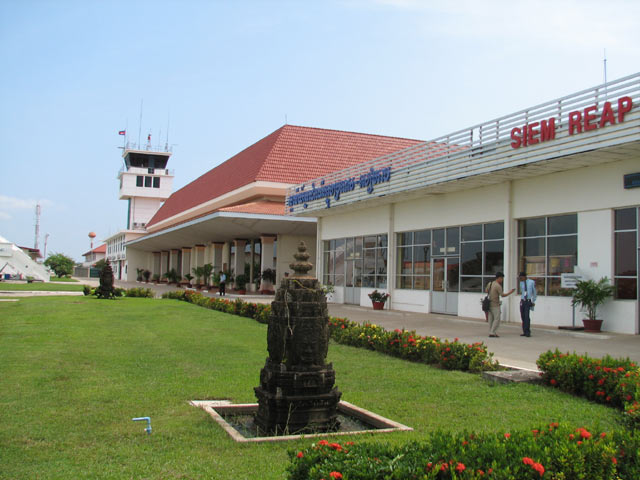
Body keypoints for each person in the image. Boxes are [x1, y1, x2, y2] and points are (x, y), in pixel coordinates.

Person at [485, 272, 515, 338]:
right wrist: (510, 292)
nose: (502, 280)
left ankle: (491, 331)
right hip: (495, 304)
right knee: (497, 319)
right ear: (499, 278)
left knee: (490, 319)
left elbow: (486, 291)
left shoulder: (490, 283)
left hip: (489, 304)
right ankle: (492, 332)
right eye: (502, 278)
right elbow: (502, 295)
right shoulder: (498, 286)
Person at [519, 271, 537, 337]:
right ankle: (524, 331)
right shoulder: (521, 283)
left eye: (521, 277)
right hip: (522, 300)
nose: (520, 279)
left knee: (527, 316)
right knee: (523, 316)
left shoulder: (531, 282)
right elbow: (522, 292)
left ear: (524, 276)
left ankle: (527, 332)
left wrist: (533, 301)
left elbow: (534, 292)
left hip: (528, 301)